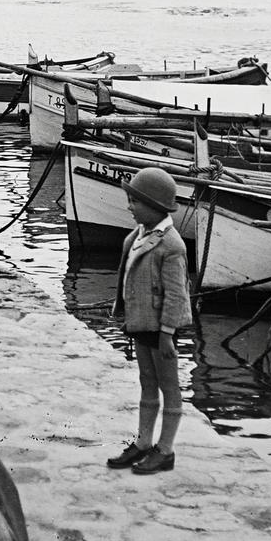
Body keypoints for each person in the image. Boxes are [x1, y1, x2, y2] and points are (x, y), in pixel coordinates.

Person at [107, 165, 192, 475]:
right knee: (146, 382)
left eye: (135, 202)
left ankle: (165, 450)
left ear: (155, 207)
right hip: (142, 324)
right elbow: (129, 278)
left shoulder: (172, 246)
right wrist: (123, 312)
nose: (129, 207)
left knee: (169, 386)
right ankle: (144, 442)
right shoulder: (137, 236)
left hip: (162, 328)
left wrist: (168, 333)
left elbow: (176, 295)